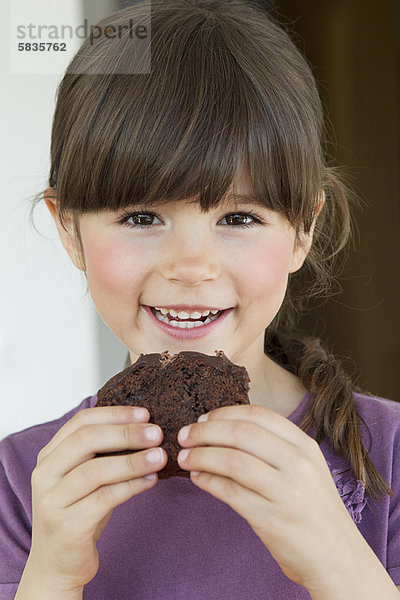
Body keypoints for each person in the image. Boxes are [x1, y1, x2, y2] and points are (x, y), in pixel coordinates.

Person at [1, 1, 399, 598]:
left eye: (239, 216)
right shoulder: (23, 480)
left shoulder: (386, 455)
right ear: (69, 230)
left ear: (303, 228)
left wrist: (339, 565)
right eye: (141, 216)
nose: (191, 267)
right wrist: (54, 574)